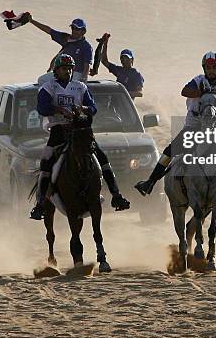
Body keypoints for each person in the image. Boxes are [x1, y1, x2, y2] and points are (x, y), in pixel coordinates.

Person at [134, 52, 216, 215]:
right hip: (194, 127)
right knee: (170, 150)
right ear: (204, 68)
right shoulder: (198, 81)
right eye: (208, 67)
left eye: (214, 67)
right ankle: (150, 183)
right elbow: (184, 91)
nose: (211, 70)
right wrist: (203, 93)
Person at [29, 53, 129, 219]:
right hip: (58, 130)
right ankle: (40, 204)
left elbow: (93, 108)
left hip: (80, 130)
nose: (67, 72)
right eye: (64, 68)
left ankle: (117, 196)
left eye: (70, 68)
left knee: (102, 158)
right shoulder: (48, 87)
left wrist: (82, 108)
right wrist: (59, 109)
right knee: (46, 162)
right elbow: (42, 108)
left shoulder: (80, 87)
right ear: (56, 70)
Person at [26, 14, 93, 82]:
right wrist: (31, 21)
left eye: (77, 29)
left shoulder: (86, 46)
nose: (74, 31)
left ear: (84, 31)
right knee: (42, 80)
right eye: (73, 28)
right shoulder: (65, 38)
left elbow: (87, 66)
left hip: (77, 74)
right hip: (62, 72)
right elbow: (49, 30)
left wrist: (83, 81)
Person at [96, 33, 144, 99]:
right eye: (122, 58)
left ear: (132, 60)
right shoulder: (119, 70)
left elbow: (139, 93)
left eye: (127, 58)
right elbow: (104, 61)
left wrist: (123, 93)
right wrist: (105, 43)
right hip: (114, 102)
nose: (124, 60)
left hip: (126, 104)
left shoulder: (136, 74)